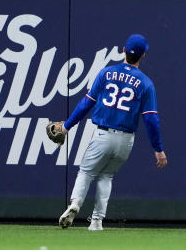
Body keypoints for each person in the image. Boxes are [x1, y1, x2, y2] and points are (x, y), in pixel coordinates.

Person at [57, 34, 167, 231]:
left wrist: (66, 127)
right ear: (143, 56)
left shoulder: (106, 73)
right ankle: (97, 221)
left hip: (103, 134)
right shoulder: (146, 83)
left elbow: (86, 104)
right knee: (106, 176)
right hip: (126, 141)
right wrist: (158, 149)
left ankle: (75, 204)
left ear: (123, 50)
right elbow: (150, 119)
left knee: (86, 172)